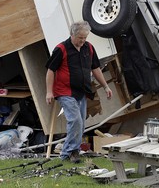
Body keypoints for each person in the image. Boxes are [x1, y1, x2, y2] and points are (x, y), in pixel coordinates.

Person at [45, 20, 112, 163]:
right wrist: (49, 92)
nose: (83, 41)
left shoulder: (89, 48)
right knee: (75, 120)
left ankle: (72, 152)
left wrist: (106, 86)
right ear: (72, 34)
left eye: (85, 38)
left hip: (82, 92)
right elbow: (51, 70)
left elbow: (96, 69)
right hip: (65, 92)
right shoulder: (61, 49)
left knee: (80, 124)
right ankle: (67, 154)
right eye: (80, 38)